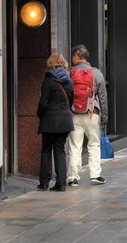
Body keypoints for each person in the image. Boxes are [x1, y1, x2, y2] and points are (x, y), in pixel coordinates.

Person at [67, 45, 108, 187]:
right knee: (94, 144)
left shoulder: (70, 73)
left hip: (74, 114)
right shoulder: (96, 73)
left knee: (75, 146)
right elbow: (102, 97)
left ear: (76, 57)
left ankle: (73, 177)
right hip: (92, 113)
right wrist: (104, 117)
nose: (72, 59)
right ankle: (95, 174)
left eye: (73, 56)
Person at [37, 54, 74, 192]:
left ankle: (44, 183)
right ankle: (61, 183)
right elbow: (70, 102)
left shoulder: (48, 81)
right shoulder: (69, 81)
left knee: (46, 149)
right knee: (60, 150)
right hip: (65, 120)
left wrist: (40, 115)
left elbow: (43, 103)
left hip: (50, 120)